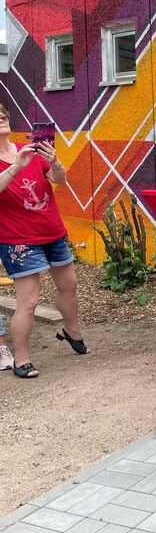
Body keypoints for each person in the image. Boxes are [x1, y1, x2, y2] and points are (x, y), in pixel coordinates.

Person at [0, 104, 90, 379]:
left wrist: (54, 161)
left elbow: (59, 181)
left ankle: (71, 331)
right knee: (29, 301)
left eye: (3, 115)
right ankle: (21, 358)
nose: (2, 119)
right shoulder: (19, 159)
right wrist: (16, 167)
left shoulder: (30, 149)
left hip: (52, 231)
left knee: (69, 286)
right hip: (18, 239)